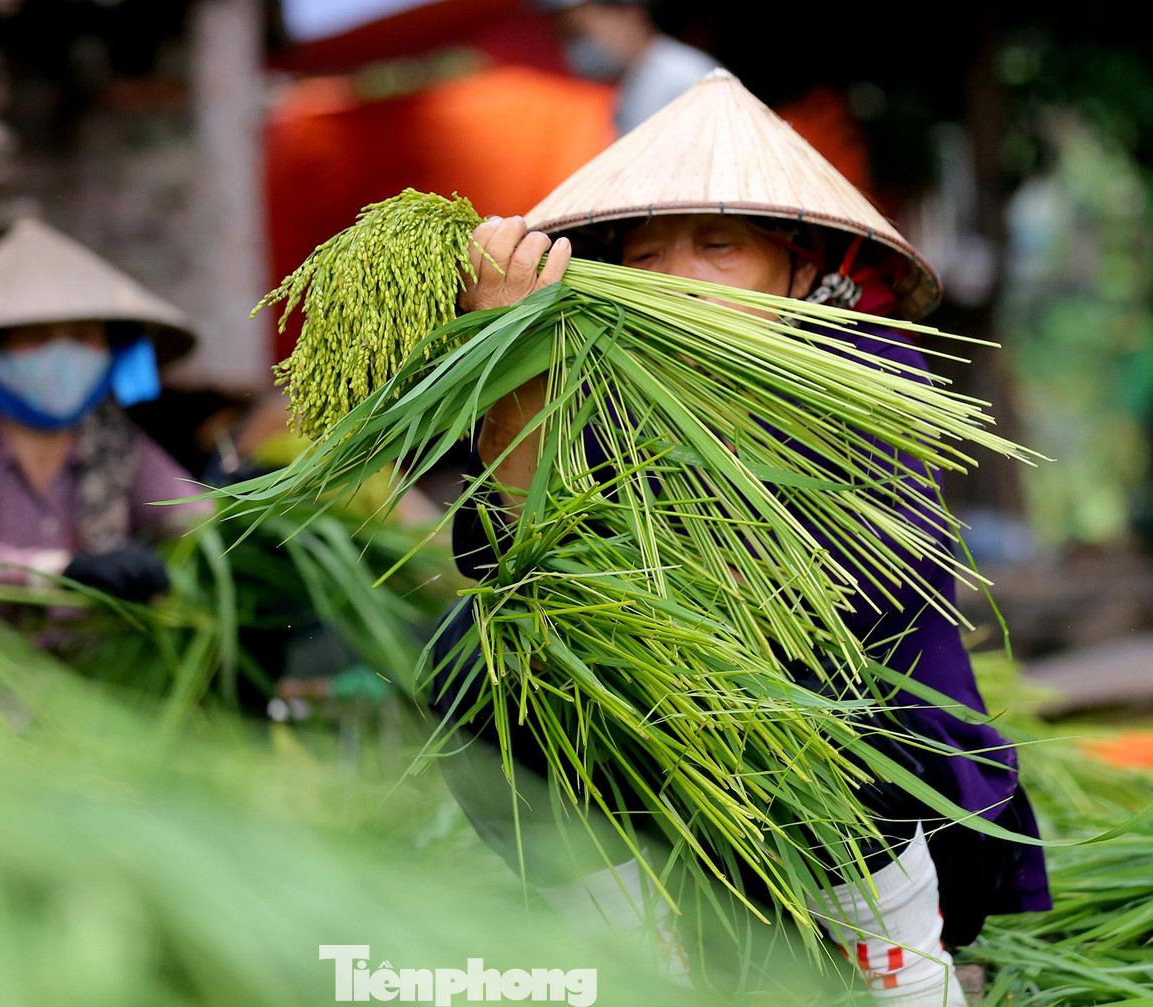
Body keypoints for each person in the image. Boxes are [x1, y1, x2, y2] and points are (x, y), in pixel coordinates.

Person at [431, 71, 1050, 1004]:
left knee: (817, 683)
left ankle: (910, 976)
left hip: (869, 779)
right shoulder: (593, 383)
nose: (677, 276)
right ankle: (639, 959)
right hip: (657, 775)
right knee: (471, 655)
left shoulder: (865, 369)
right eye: (643, 253)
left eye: (718, 245)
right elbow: (514, 573)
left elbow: (838, 607)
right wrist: (515, 379)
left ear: (800, 266)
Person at [0, 218, 210, 605]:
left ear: (110, 351)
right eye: (37, 338)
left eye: (83, 337)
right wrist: (61, 572)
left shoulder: (118, 448)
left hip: (94, 659)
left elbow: (195, 520)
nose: (64, 355)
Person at [542, 0, 718, 133]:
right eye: (567, 37)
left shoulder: (684, 76)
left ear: (629, 14)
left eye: (579, 33)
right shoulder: (634, 80)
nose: (578, 47)